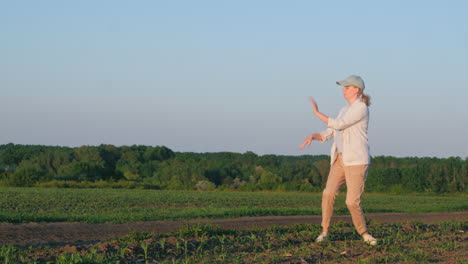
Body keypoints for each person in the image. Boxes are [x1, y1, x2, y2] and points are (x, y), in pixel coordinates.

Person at [299, 75, 378, 246]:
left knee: (351, 202)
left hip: (357, 161)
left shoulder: (361, 108)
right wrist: (314, 136)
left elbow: (340, 124)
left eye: (347, 87)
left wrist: (316, 113)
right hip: (340, 159)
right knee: (328, 194)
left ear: (356, 89)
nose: (343, 90)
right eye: (343, 87)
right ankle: (325, 231)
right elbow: (331, 131)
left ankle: (364, 233)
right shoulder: (344, 109)